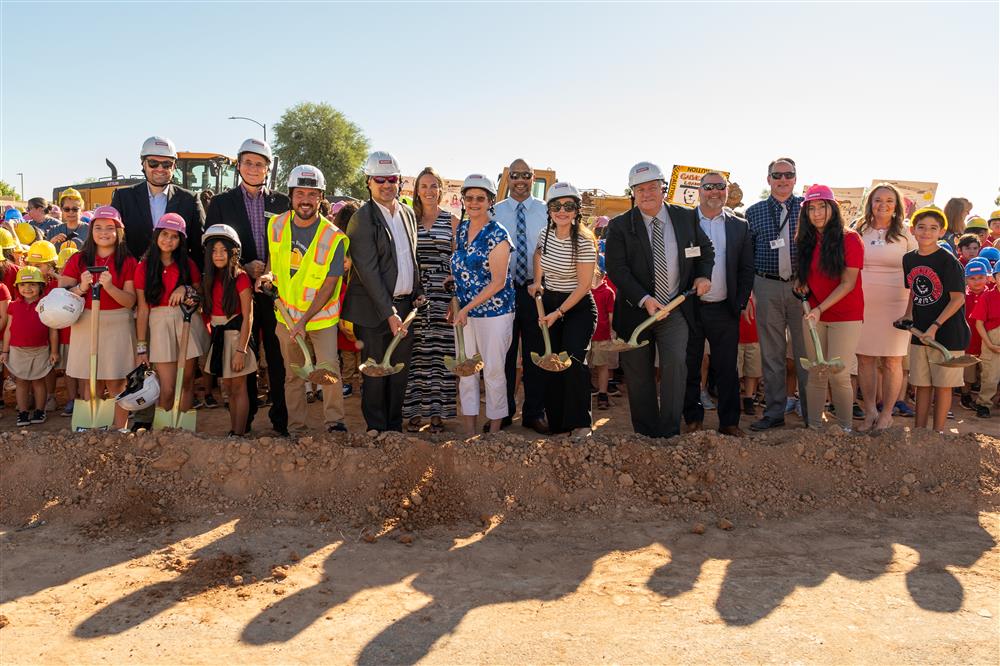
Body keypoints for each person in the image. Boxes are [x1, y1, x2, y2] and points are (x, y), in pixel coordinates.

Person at [604, 161, 714, 439]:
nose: (647, 193)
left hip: (675, 311)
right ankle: (645, 436)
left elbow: (705, 250)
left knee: (676, 368)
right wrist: (644, 299)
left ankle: (668, 433)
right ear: (632, 193)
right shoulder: (620, 226)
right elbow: (617, 269)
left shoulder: (686, 218)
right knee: (639, 377)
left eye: (652, 187)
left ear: (663, 188)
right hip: (636, 313)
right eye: (639, 189)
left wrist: (703, 276)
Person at [205, 138, 291, 435]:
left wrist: (267, 270)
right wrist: (243, 267)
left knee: (278, 359)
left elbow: (292, 246)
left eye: (260, 163)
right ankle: (246, 420)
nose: (254, 168)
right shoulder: (221, 203)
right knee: (246, 359)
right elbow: (213, 249)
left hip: (274, 292)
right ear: (239, 165)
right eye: (248, 162)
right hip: (239, 294)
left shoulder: (282, 203)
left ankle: (282, 420)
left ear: (268, 169)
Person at [261, 165, 349, 434]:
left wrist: (304, 320)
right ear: (291, 195)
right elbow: (273, 262)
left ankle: (335, 423)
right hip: (285, 317)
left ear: (321, 197)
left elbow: (329, 285)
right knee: (294, 375)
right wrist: (266, 275)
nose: (306, 200)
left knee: (329, 370)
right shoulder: (275, 225)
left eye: (312, 194)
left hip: (319, 319)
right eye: (300, 193)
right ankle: (296, 429)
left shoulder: (333, 237)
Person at [342, 151, 423, 434]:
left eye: (392, 179)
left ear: (399, 181)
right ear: (368, 182)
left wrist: (418, 291)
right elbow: (369, 273)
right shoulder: (362, 219)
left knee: (399, 374)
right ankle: (376, 431)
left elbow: (411, 259)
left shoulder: (408, 213)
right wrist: (389, 314)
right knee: (375, 375)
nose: (387, 184)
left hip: (404, 309)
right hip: (374, 313)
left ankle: (393, 431)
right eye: (380, 179)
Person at [681, 172, 754, 437]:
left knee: (727, 369)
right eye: (709, 187)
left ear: (726, 191)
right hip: (690, 308)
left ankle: (729, 423)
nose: (715, 192)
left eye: (720, 187)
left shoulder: (740, 226)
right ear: (699, 191)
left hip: (724, 308)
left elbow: (746, 269)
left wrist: (741, 301)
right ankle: (693, 419)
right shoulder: (684, 222)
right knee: (690, 366)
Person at [744, 157, 809, 431]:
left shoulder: (809, 209)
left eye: (788, 175)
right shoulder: (753, 211)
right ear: (768, 179)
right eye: (777, 175)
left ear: (795, 178)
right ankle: (774, 412)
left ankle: (811, 413)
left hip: (801, 287)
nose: (783, 180)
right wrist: (749, 293)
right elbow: (746, 255)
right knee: (772, 354)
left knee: (807, 354)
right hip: (766, 286)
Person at [58, 206, 137, 431]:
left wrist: (110, 287)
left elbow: (130, 301)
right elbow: (61, 292)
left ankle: (118, 427)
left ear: (118, 231)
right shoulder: (78, 259)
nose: (104, 232)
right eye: (98, 227)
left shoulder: (128, 261)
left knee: (116, 380)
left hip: (118, 323)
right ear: (91, 230)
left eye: (110, 228)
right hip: (85, 321)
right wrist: (81, 288)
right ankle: (91, 426)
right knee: (89, 378)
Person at [793, 185, 864, 432]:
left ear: (832, 208)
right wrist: (801, 283)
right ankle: (814, 428)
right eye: (811, 208)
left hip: (844, 316)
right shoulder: (806, 239)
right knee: (816, 372)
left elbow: (848, 282)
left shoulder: (850, 238)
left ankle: (844, 429)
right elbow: (807, 277)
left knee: (839, 373)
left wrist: (821, 308)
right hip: (814, 314)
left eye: (822, 206)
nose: (817, 213)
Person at [529, 181, 597, 438]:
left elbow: (583, 287)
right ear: (549, 210)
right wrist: (538, 281)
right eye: (556, 206)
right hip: (550, 303)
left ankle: (581, 424)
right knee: (551, 364)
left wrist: (558, 313)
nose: (562, 211)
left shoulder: (584, 240)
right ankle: (558, 423)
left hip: (577, 307)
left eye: (568, 206)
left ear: (577, 210)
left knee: (573, 362)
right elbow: (538, 255)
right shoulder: (544, 235)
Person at [449, 174, 515, 435]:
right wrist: (455, 303)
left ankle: (495, 433)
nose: (474, 202)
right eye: (469, 198)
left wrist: (465, 308)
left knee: (494, 371)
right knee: (466, 371)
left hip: (494, 314)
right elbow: (461, 271)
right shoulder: (462, 230)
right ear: (463, 201)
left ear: (490, 201)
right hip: (465, 314)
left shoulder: (498, 234)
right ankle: (469, 432)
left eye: (480, 198)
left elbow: (498, 281)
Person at [899, 206, 970, 433]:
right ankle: (920, 432)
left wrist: (935, 326)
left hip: (948, 333)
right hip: (921, 332)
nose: (926, 232)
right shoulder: (909, 259)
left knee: (943, 385)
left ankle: (937, 434)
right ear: (913, 230)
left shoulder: (948, 261)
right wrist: (909, 314)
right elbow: (913, 289)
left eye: (933, 228)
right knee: (922, 384)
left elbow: (958, 299)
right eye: (921, 227)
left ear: (941, 232)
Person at [854, 183, 918, 431]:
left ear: (897, 205)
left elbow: (917, 273)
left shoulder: (905, 233)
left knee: (893, 361)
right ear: (870, 202)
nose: (883, 205)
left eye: (889, 200)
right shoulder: (858, 229)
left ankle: (887, 413)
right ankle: (870, 410)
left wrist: (910, 310)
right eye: (878, 200)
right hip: (863, 303)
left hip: (897, 303)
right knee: (865, 359)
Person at [493, 158, 549, 434]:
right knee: (505, 352)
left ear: (532, 177)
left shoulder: (546, 210)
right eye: (515, 175)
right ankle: (502, 412)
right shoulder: (496, 211)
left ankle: (534, 412)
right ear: (508, 178)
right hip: (503, 290)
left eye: (525, 175)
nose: (520, 180)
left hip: (535, 289)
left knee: (535, 352)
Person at [134, 213, 208, 421]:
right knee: (166, 387)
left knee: (186, 382)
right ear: (156, 235)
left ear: (181, 240)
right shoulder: (144, 266)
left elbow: (199, 295)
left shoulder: (188, 264)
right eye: (164, 234)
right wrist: (141, 347)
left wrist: (185, 289)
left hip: (186, 323)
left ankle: (181, 432)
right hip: (159, 326)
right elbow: (142, 308)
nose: (168, 240)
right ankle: (163, 432)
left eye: (174, 236)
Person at [403, 167, 459, 433]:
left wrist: (454, 297)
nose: (428, 191)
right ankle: (414, 412)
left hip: (443, 292)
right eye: (423, 186)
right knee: (416, 353)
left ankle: (438, 414)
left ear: (441, 189)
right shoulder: (408, 219)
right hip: (415, 293)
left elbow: (458, 262)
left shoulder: (452, 221)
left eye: (433, 186)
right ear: (417, 191)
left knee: (440, 354)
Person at [111, 136, 205, 267]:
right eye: (153, 163)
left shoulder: (190, 200)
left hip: (175, 280)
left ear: (174, 166)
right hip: (132, 279)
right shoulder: (123, 197)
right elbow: (113, 242)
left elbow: (198, 246)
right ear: (143, 164)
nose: (160, 169)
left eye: (166, 164)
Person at [202, 225, 257, 436]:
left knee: (238, 387)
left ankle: (239, 432)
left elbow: (248, 316)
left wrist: (241, 350)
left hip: (236, 337)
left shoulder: (240, 278)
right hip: (219, 337)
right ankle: (234, 430)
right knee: (228, 389)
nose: (218, 255)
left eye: (223, 250)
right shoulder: (210, 277)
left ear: (233, 252)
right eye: (214, 250)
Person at [1, 267, 58, 426]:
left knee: (39, 381)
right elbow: (8, 330)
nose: (27, 289)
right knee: (21, 382)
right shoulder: (13, 305)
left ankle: (40, 410)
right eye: (23, 285)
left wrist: (54, 351)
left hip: (40, 349)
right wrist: (5, 351)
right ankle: (23, 412)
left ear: (41, 286)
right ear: (17, 287)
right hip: (17, 350)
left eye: (32, 284)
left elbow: (53, 330)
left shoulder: (45, 305)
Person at [960, 258, 991, 413]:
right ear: (966, 280)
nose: (977, 282)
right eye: (972, 278)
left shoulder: (991, 294)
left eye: (980, 277)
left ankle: (986, 400)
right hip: (969, 342)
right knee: (968, 374)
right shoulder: (962, 296)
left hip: (987, 342)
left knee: (987, 373)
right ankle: (965, 395)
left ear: (987, 277)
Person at [971, 262, 1000, 417]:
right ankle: (984, 404)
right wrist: (989, 344)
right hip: (991, 340)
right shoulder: (987, 296)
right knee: (990, 375)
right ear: (994, 278)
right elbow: (979, 323)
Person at [589, 267, 617, 410]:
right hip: (587, 336)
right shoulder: (586, 291)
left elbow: (611, 314)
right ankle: (583, 393)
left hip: (602, 336)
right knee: (584, 366)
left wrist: (612, 332)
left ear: (603, 276)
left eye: (595, 276)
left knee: (602, 366)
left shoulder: (608, 292)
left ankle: (603, 393)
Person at [738, 293, 762, 415]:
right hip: (736, 337)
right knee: (736, 370)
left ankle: (748, 398)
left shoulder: (760, 291)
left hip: (755, 337)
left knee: (751, 372)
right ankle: (734, 398)